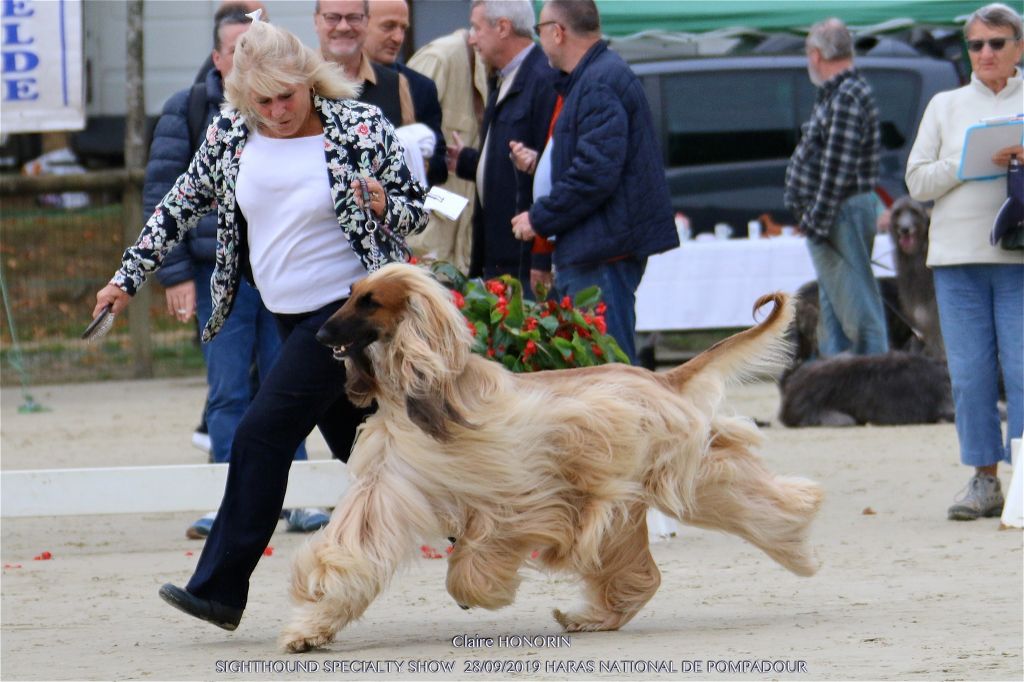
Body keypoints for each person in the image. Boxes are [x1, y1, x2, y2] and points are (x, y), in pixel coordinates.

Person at [92, 14, 426, 630]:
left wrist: (385, 202)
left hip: (347, 315)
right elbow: (175, 207)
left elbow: (415, 216)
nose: (276, 111)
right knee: (373, 451)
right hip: (284, 313)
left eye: (287, 97)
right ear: (244, 96)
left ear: (310, 80)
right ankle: (478, 540)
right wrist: (125, 279)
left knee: (261, 435)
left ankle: (220, 589)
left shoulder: (360, 126)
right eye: (263, 100)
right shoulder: (230, 133)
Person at [148, 4, 325, 540]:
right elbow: (165, 194)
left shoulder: (299, 116)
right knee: (227, 390)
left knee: (284, 385)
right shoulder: (188, 109)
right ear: (218, 57)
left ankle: (295, 496)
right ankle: (229, 498)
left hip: (276, 276)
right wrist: (173, 273)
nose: (246, 60)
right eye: (236, 51)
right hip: (213, 272)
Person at [905, 2, 1023, 521]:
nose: (985, 53)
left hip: (1018, 259)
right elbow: (916, 181)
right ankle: (983, 478)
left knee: (1022, 370)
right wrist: (969, 162)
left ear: (1018, 47)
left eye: (996, 43)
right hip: (956, 260)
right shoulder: (945, 105)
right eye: (976, 45)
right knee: (971, 375)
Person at [509, 0, 678, 363]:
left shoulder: (599, 82)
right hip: (597, 247)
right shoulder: (592, 79)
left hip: (602, 252)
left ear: (558, 31)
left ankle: (631, 424)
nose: (539, 42)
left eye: (540, 31)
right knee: (599, 371)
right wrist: (542, 167)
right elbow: (595, 159)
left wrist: (539, 218)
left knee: (608, 372)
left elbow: (595, 173)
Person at [783, 18, 888, 359]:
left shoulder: (845, 95)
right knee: (836, 306)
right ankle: (837, 383)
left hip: (839, 212)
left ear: (816, 54)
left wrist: (816, 219)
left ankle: (878, 376)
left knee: (857, 305)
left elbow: (837, 170)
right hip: (838, 211)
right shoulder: (840, 92)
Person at [447, 0, 560, 291]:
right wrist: (470, 161)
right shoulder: (505, 78)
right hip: (499, 253)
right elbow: (510, 162)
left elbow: (548, 172)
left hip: (523, 257)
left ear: (503, 28)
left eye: (476, 27)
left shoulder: (543, 80)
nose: (471, 38)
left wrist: (541, 258)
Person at [407, 28, 489, 272]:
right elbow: (404, 147)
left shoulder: (487, 64)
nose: (399, 37)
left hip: (460, 246)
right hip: (424, 244)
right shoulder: (439, 59)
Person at [364, 0, 447, 186]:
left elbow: (439, 164)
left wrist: (415, 160)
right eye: (389, 26)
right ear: (361, 23)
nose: (398, 38)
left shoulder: (420, 87)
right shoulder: (329, 81)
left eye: (403, 28)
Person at [314, 0, 414, 129]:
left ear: (367, 21)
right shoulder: (299, 81)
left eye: (353, 18)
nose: (343, 27)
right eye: (332, 18)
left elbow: (407, 145)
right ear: (316, 21)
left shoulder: (395, 84)